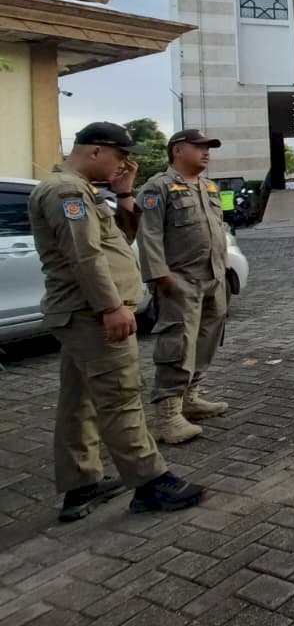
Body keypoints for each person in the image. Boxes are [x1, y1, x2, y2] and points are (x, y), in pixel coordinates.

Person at [28, 122, 204, 520]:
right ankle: (150, 482)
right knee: (121, 396)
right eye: (120, 156)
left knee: (79, 401)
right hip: (90, 313)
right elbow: (85, 256)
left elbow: (117, 241)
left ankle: (80, 485)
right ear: (94, 152)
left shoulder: (83, 190)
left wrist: (124, 192)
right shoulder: (67, 191)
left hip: (79, 313)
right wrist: (111, 307)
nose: (125, 163)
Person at [136, 130, 230, 445]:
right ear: (178, 150)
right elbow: (147, 234)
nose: (206, 153)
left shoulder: (208, 186)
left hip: (213, 277)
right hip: (180, 280)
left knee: (205, 340)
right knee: (177, 343)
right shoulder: (157, 187)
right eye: (199, 147)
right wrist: (160, 276)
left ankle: (191, 397)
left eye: (208, 148)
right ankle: (167, 415)